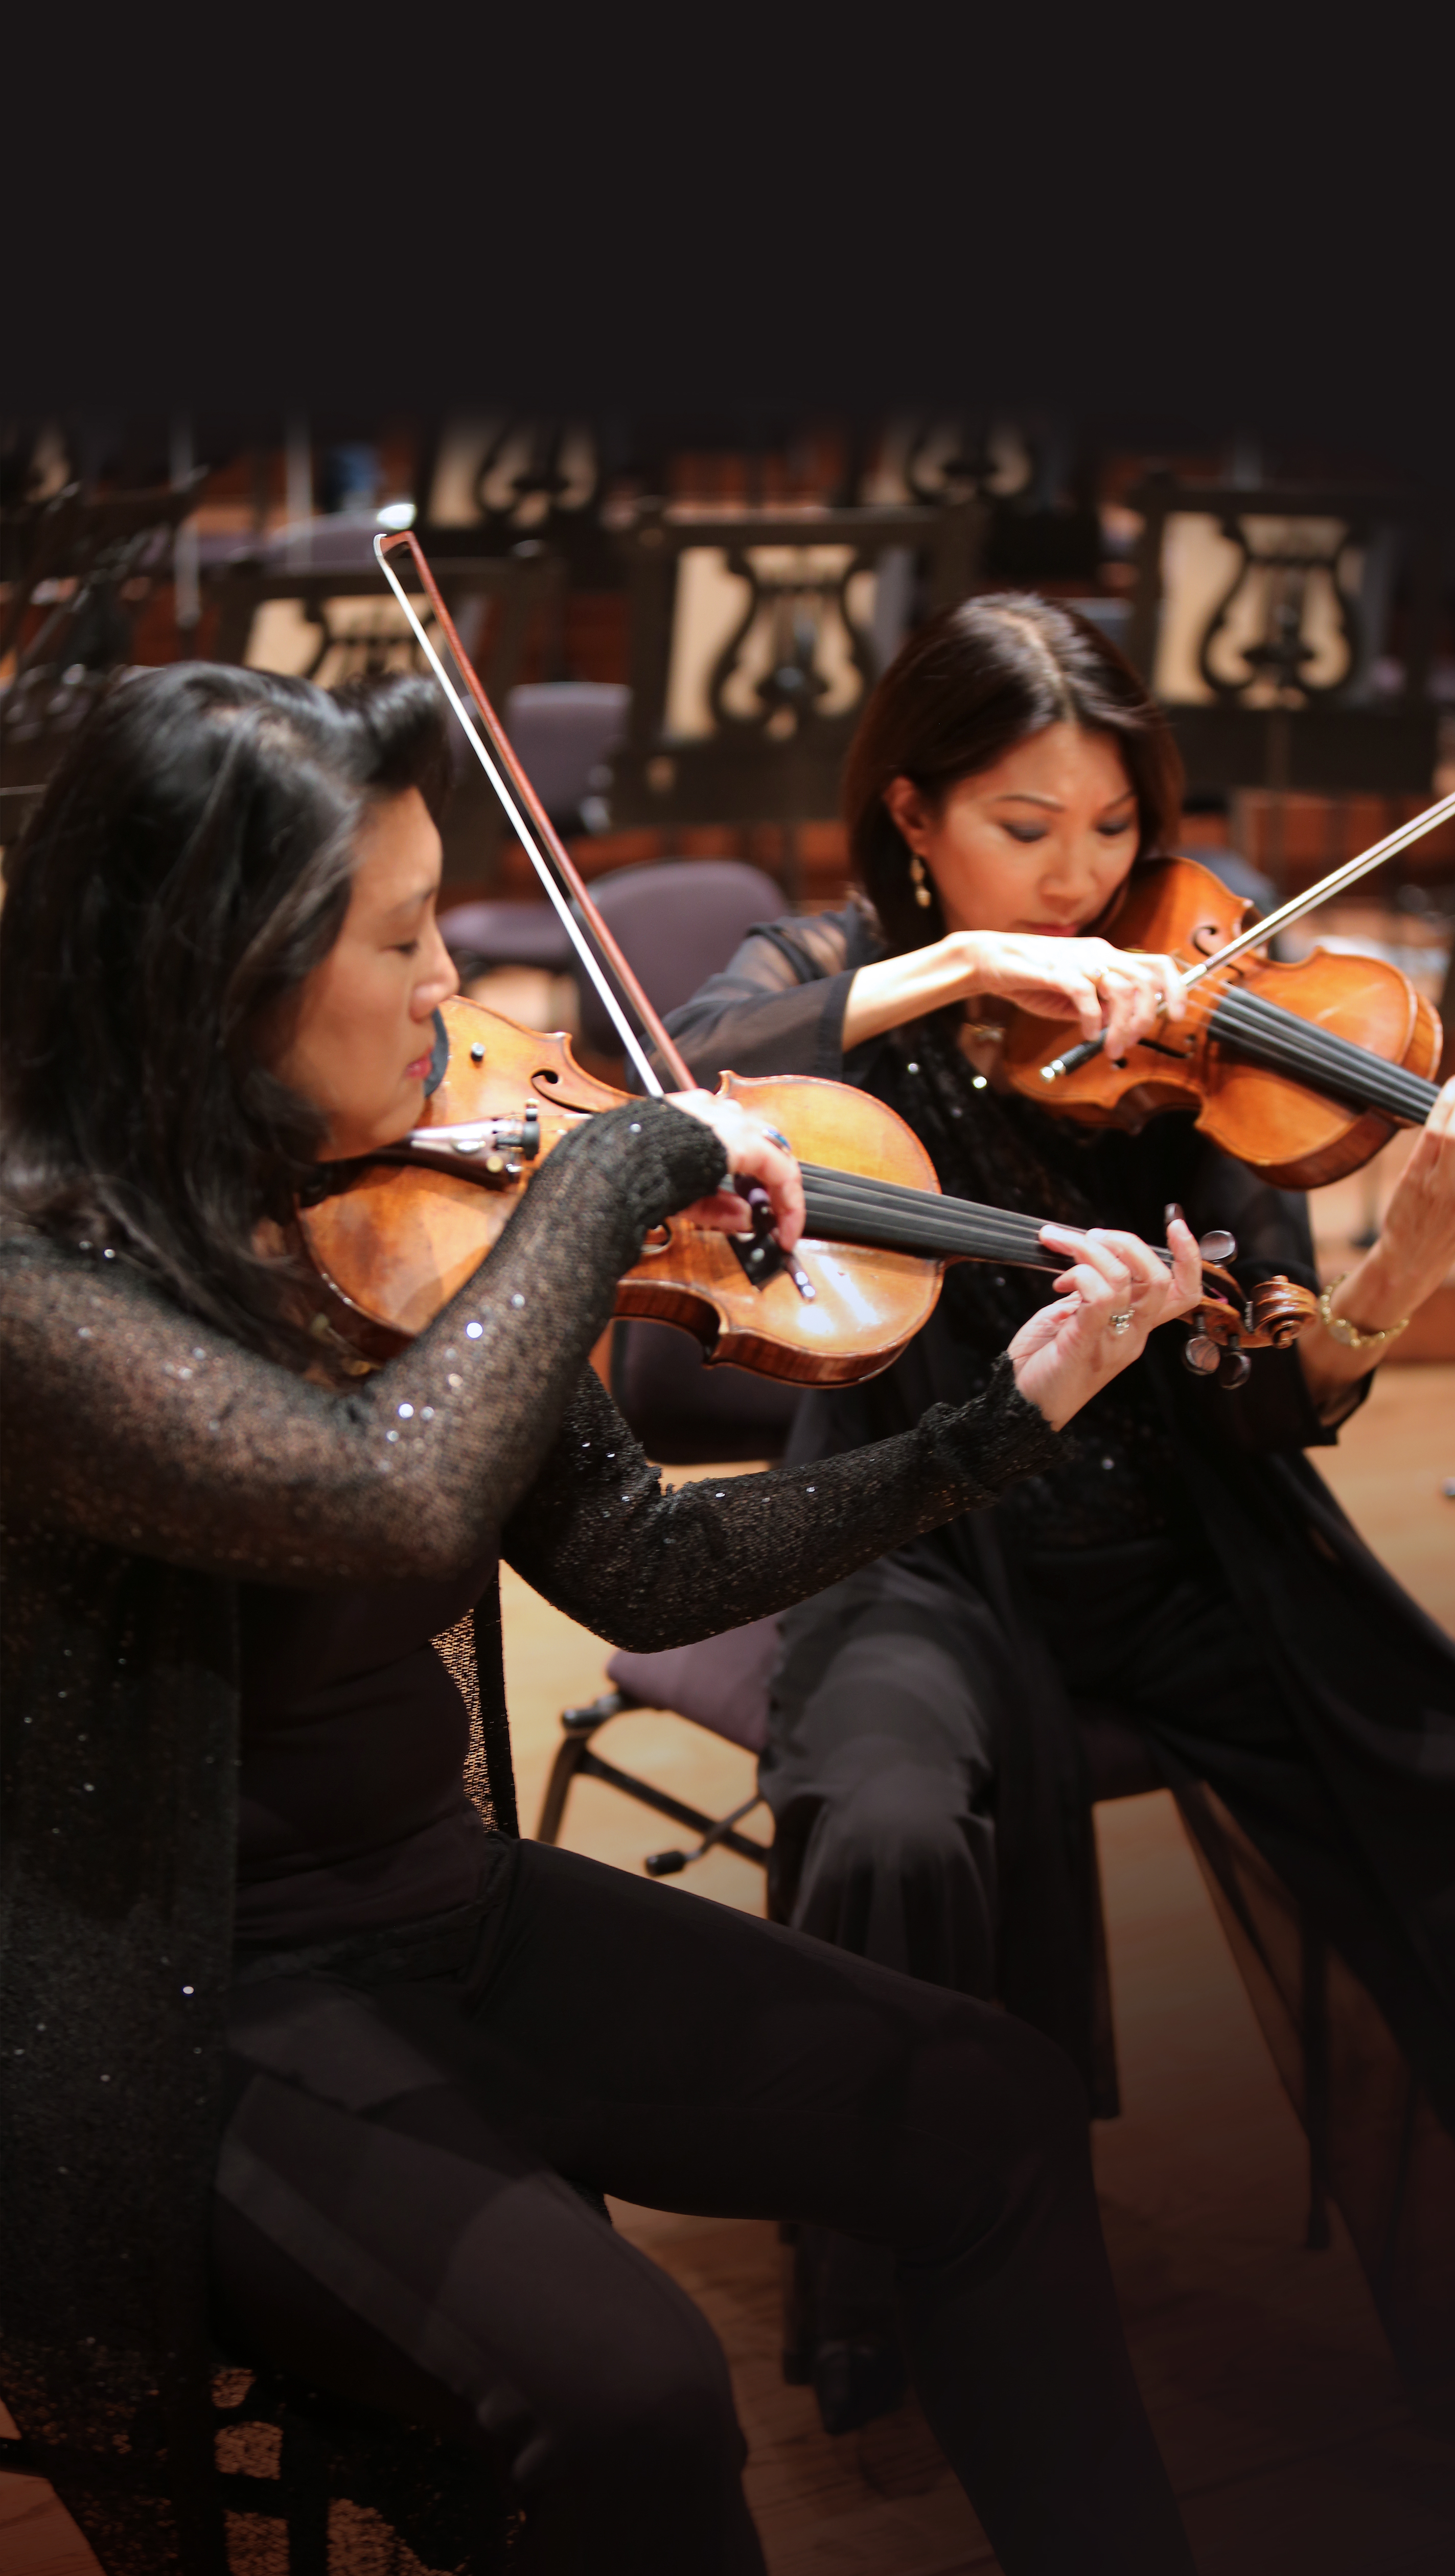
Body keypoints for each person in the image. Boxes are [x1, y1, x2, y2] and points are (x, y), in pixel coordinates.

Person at [0, 662, 1204, 2576]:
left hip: (441, 1912)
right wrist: (629, 1158)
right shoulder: (45, 1290)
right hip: (178, 2021)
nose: (447, 995)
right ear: (210, 962)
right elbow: (383, 1492)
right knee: (638, 2394)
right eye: (399, 939)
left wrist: (990, 1431)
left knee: (992, 2102)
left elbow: (636, 1561)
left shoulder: (407, 1212)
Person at [666, 593, 1455, 2440]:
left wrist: (1391, 1285)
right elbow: (681, 1083)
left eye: (1114, 830)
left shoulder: (1198, 1010)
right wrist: (953, 977)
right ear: (918, 815)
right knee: (883, 1822)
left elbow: (1261, 1399)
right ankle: (902, 2303)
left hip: (1188, 1548)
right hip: (913, 1538)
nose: (1086, 883)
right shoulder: (835, 974)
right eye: (1029, 830)